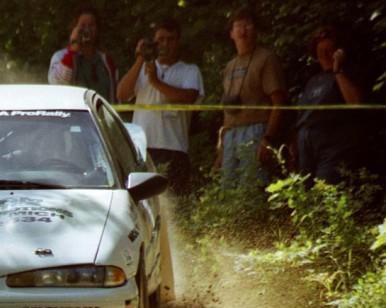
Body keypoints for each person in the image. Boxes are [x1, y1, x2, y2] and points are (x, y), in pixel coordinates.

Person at [116, 18, 204, 195]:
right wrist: (141, 58)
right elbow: (122, 95)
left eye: (170, 39)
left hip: (174, 149)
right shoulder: (142, 68)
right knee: (143, 203)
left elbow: (189, 97)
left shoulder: (189, 70)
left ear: (178, 42)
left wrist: (155, 82)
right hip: (143, 149)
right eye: (160, 40)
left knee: (175, 204)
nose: (165, 44)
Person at [218, 7, 286, 189]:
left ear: (255, 29)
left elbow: (278, 102)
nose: (243, 30)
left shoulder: (266, 58)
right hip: (231, 134)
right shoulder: (229, 66)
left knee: (252, 188)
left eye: (247, 25)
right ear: (231, 33)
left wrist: (268, 139)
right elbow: (227, 108)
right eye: (238, 26)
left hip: (256, 130)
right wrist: (221, 148)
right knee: (227, 190)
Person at [294, 24, 365, 184]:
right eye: (320, 52)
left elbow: (355, 103)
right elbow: (302, 115)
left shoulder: (347, 74)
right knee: (305, 193)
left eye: (329, 51)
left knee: (325, 190)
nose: (325, 55)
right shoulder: (312, 80)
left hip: (333, 144)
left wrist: (337, 69)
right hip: (307, 145)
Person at [48, 4, 118, 102]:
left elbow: (114, 95)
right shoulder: (60, 57)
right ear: (74, 28)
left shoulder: (106, 61)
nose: (87, 29)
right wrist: (73, 49)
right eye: (83, 25)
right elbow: (58, 84)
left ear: (97, 29)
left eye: (91, 25)